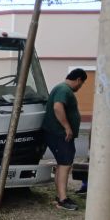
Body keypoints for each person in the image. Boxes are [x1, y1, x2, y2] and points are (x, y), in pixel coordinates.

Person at [42, 68, 87, 211]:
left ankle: (60, 196)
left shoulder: (62, 88)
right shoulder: (64, 90)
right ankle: (62, 200)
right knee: (65, 165)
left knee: (62, 165)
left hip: (60, 134)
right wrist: (67, 127)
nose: (80, 87)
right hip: (59, 134)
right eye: (82, 84)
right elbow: (57, 107)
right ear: (79, 79)